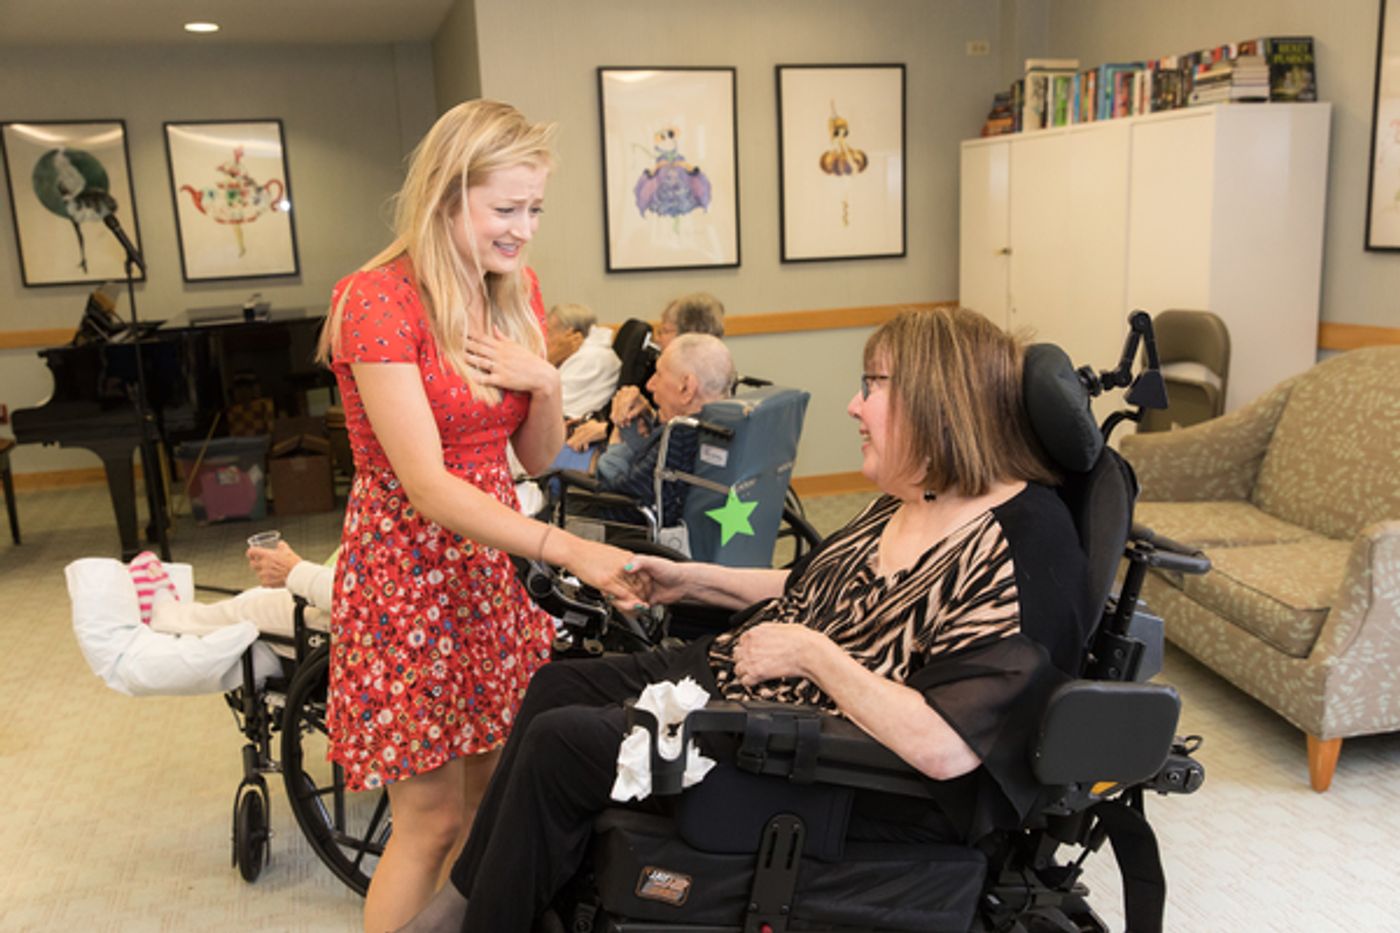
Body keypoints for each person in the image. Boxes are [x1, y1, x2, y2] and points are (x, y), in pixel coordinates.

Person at [399, 305, 1097, 932]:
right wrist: (692, 578)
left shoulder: (1021, 544)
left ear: (937, 403)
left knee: (562, 745)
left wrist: (810, 654)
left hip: (826, 763)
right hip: (754, 684)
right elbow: (813, 585)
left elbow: (946, 745)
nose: (853, 404)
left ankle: (475, 919)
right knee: (555, 685)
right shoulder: (919, 490)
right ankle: (466, 904)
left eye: (873, 385)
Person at [313, 99, 642, 933]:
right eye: (506, 208)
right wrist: (570, 550)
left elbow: (536, 458)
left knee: (493, 807)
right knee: (432, 822)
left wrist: (547, 382)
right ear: (446, 195)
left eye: (534, 208)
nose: (523, 229)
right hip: (407, 576)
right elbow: (424, 485)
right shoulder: (376, 301)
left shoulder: (511, 287)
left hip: (487, 569)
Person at [590, 332, 733, 526]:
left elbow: (613, 500)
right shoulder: (726, 424)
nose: (650, 385)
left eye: (658, 374)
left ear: (687, 388)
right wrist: (649, 417)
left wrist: (618, 436)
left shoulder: (681, 435)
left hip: (637, 534)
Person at [566, 292, 726, 452]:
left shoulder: (688, 381)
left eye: (664, 331)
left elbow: (667, 438)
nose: (658, 338)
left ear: (688, 336)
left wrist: (607, 431)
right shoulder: (714, 373)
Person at [146, 540, 333, 639]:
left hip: (342, 617)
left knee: (252, 610)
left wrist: (293, 570)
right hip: (342, 595)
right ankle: (171, 615)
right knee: (254, 596)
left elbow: (353, 593)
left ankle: (160, 615)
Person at [545, 302, 622, 421]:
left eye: (548, 332)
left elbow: (548, 407)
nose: (545, 339)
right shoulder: (581, 354)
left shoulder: (591, 358)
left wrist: (549, 360)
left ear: (571, 335)